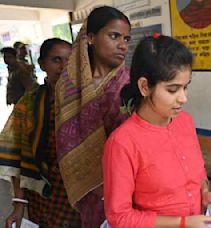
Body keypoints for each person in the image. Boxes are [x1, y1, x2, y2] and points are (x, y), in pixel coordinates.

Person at [103, 34, 211, 227]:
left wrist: (204, 193)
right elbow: (119, 217)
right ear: (144, 87)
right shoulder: (122, 143)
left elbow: (198, 173)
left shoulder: (184, 121)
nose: (183, 98)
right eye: (173, 89)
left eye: (186, 87)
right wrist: (183, 222)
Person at [55, 6, 132, 227]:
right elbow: (64, 138)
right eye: (114, 36)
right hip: (88, 186)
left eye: (126, 39)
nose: (122, 45)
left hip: (126, 184)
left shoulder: (131, 83)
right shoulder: (68, 86)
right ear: (90, 38)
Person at [0, 38, 80, 227]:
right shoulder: (28, 104)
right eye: (56, 60)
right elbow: (15, 157)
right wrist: (19, 205)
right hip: (40, 196)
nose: (64, 67)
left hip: (75, 198)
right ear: (42, 64)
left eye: (70, 60)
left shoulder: (86, 103)